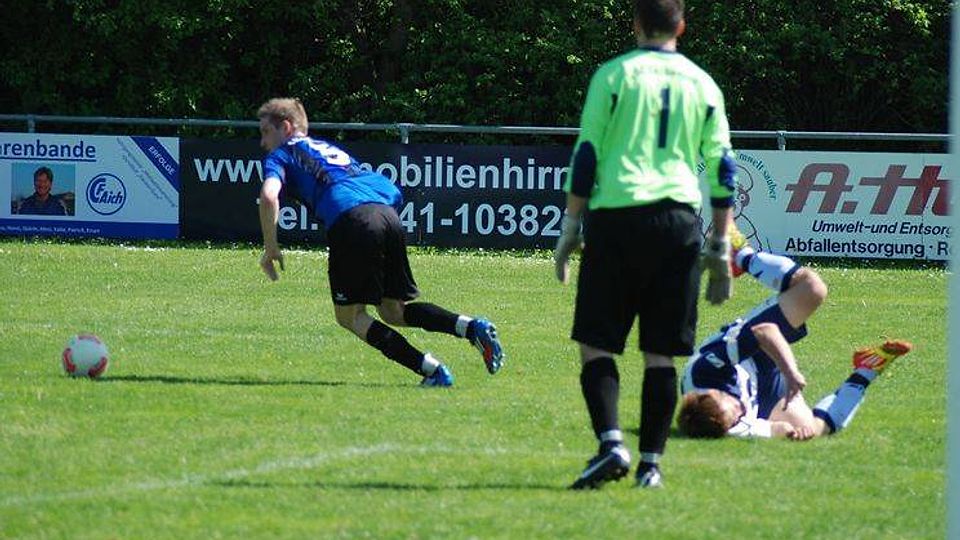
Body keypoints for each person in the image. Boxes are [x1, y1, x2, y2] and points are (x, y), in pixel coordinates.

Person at [554, 0, 737, 490]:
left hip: (616, 218)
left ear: (636, 23)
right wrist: (720, 242)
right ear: (682, 25)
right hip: (677, 224)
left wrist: (570, 226)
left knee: (596, 343)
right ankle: (651, 466)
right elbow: (722, 168)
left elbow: (587, 155)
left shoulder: (612, 76)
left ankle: (612, 442)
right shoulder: (703, 83)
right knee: (661, 355)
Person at [256, 97, 504, 386]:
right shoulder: (328, 148)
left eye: (265, 132)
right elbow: (385, 188)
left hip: (353, 221)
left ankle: (433, 372)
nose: (263, 142)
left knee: (349, 316)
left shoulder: (282, 154)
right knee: (392, 310)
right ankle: (471, 327)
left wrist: (271, 247)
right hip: (387, 215)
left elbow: (269, 196)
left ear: (286, 127)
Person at [678, 240, 912, 440]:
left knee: (813, 288)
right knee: (811, 428)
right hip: (764, 388)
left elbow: (765, 331)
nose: (741, 409)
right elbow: (775, 429)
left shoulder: (705, 369)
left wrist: (790, 373)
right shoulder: (724, 425)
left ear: (712, 393)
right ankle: (866, 369)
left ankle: (742, 256)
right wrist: (790, 433)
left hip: (753, 347)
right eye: (737, 416)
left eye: (734, 406)